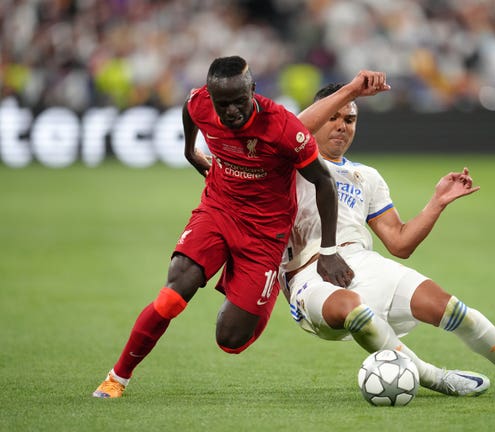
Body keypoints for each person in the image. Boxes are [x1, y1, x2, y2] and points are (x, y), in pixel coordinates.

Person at [93, 56, 389, 398]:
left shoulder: (282, 128)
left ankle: (259, 284)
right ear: (211, 97)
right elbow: (190, 110)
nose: (230, 112)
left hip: (265, 233)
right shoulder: (200, 102)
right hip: (218, 210)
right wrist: (191, 151)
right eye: (223, 105)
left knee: (231, 340)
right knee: (174, 292)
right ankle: (117, 377)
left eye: (239, 102)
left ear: (253, 90)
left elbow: (323, 182)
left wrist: (328, 251)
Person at [281, 83, 495, 398]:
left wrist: (437, 202)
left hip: (362, 264)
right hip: (310, 275)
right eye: (332, 117)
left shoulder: (367, 177)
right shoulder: (285, 165)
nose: (341, 126)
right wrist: (352, 90)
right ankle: (434, 377)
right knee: (353, 310)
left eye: (349, 120)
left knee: (451, 308)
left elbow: (400, 243)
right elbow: (293, 129)